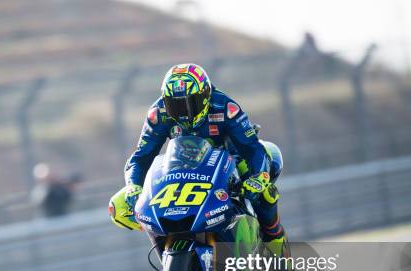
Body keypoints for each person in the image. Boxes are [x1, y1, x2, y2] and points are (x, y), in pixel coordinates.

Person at [110, 63, 288, 259]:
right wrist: (133, 185)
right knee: (119, 206)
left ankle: (277, 248)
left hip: (232, 161)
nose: (183, 111)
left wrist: (259, 176)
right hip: (185, 169)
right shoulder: (158, 113)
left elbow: (253, 149)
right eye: (175, 105)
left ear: (205, 96)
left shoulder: (225, 107)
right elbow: (141, 157)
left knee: (265, 193)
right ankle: (168, 255)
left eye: (190, 103)